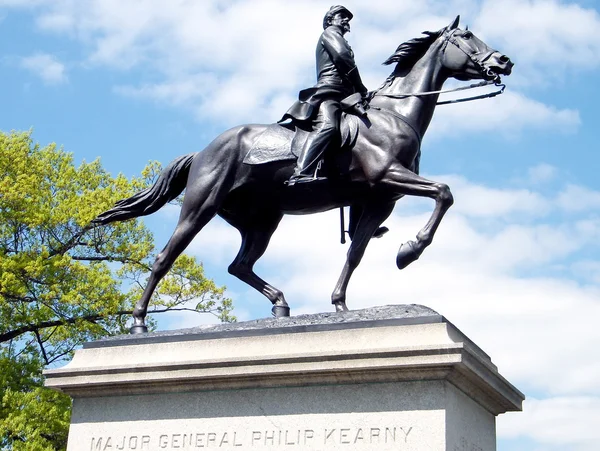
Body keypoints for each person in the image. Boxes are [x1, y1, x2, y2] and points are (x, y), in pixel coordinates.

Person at [282, 5, 368, 186]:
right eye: (341, 16)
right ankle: (301, 173)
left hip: (344, 95)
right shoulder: (330, 33)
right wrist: (360, 86)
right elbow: (343, 58)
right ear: (330, 20)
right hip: (329, 92)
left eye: (347, 18)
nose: (345, 20)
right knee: (327, 127)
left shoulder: (338, 36)